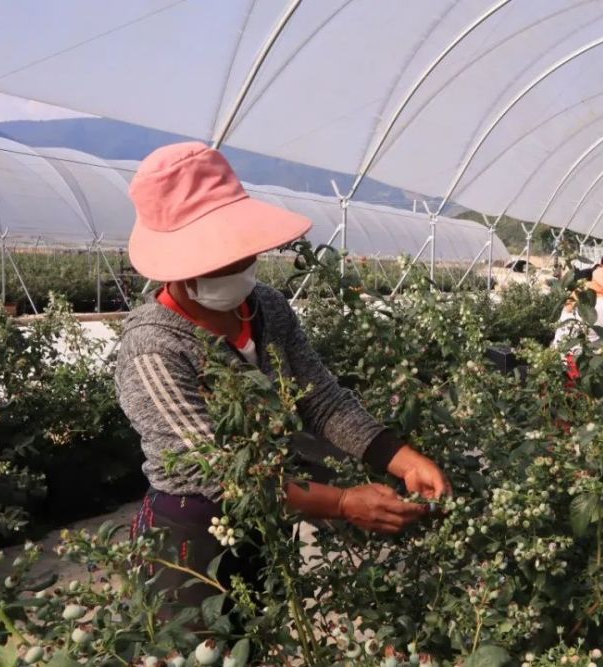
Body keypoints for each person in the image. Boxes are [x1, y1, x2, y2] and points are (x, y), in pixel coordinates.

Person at [117, 142, 449, 609]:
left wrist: (401, 458)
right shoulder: (154, 347)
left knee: (261, 632)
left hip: (272, 513)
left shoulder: (266, 307)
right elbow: (215, 474)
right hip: (194, 535)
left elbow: (319, 399)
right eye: (215, 256)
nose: (236, 266)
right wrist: (342, 503)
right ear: (178, 265)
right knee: (197, 644)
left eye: (238, 251)